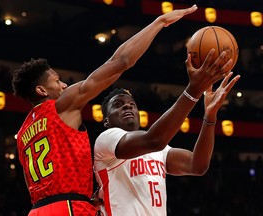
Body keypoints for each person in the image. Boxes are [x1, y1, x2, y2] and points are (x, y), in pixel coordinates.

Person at [11, 5, 199, 216]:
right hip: (70, 207)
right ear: (41, 90)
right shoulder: (60, 105)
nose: (64, 85)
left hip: (37, 210)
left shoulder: (23, 133)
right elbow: (120, 62)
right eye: (57, 81)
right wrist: (159, 23)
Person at [93, 52, 241, 215]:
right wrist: (193, 90)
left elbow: (197, 165)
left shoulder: (159, 150)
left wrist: (209, 116)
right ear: (106, 121)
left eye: (131, 104)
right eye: (118, 105)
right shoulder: (106, 140)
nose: (127, 107)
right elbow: (154, 139)